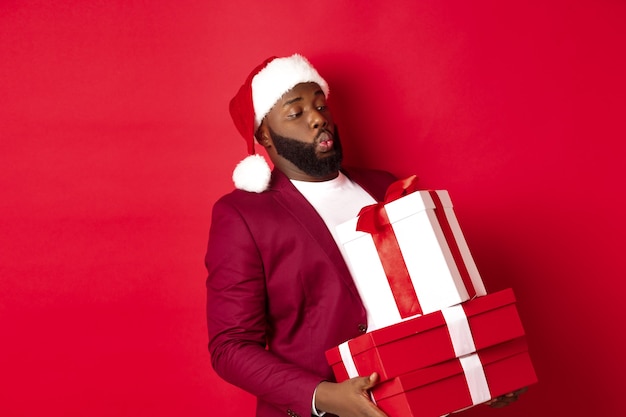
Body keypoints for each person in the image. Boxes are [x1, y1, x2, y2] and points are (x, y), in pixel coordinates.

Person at [205, 54, 525, 417]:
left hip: (414, 401)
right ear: (264, 134)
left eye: (320, 105)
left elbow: (430, 296)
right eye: (296, 113)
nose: (317, 118)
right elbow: (229, 347)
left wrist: (477, 374)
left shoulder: (384, 185)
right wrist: (323, 396)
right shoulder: (244, 215)